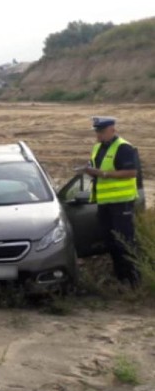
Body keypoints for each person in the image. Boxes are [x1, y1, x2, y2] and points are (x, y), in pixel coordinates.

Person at [82, 116, 140, 286]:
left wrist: (103, 174)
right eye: (97, 132)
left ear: (112, 130)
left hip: (121, 203)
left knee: (125, 243)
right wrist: (89, 170)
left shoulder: (123, 147)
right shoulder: (98, 147)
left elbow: (131, 172)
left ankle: (133, 281)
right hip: (104, 203)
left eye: (101, 132)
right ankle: (121, 279)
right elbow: (98, 168)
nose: (98, 135)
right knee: (110, 243)